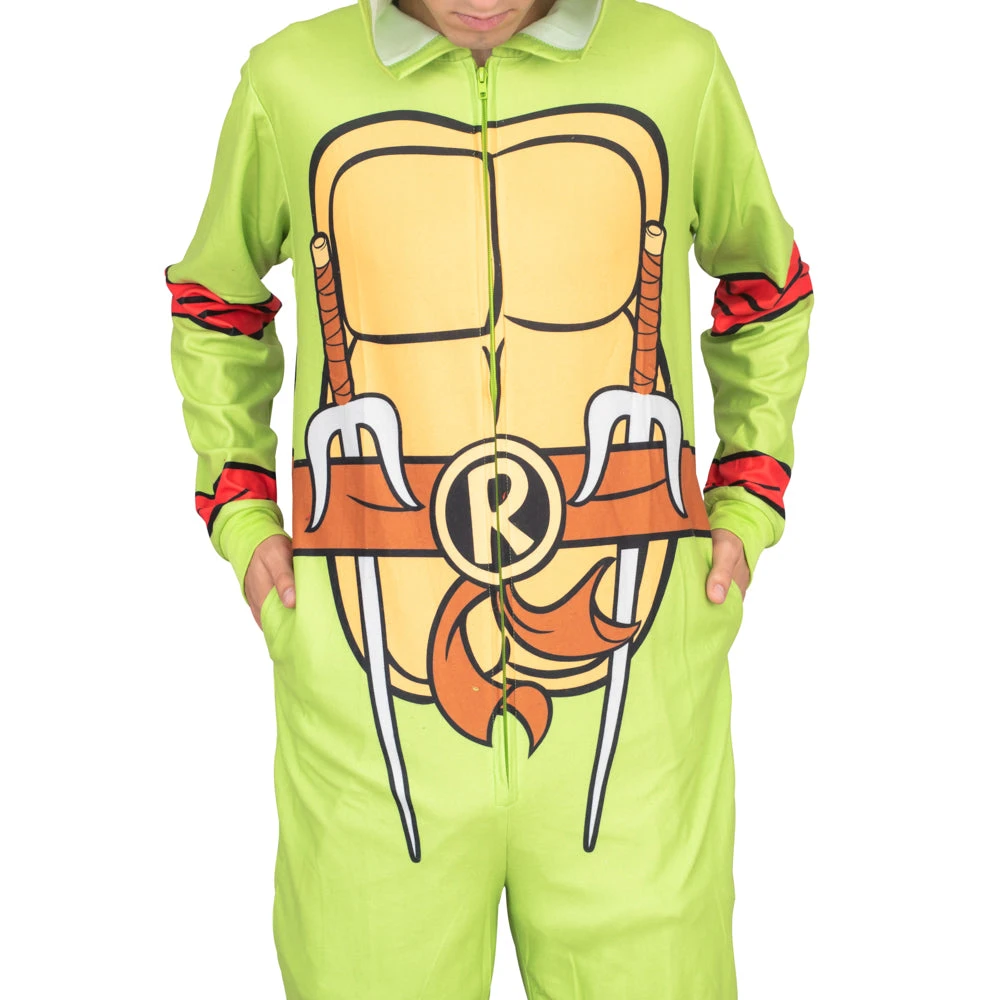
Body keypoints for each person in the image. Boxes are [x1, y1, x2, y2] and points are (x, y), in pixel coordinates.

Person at [166, 0, 814, 995]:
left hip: (637, 692)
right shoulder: (290, 81)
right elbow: (218, 303)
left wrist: (747, 498)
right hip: (367, 688)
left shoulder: (676, 70)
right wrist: (243, 518)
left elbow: (765, 287)